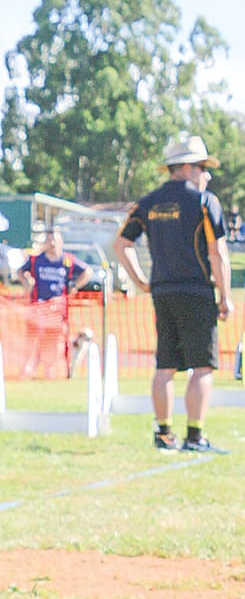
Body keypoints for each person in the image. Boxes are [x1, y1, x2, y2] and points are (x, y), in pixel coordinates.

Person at [111, 136, 232, 451]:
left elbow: (121, 244)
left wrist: (141, 281)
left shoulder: (148, 202)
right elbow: (217, 253)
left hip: (162, 291)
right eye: (203, 167)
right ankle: (195, 436)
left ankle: (163, 435)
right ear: (188, 168)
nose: (206, 175)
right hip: (197, 290)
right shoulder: (205, 201)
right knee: (202, 367)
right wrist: (225, 295)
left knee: (165, 366)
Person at [21, 228, 82, 304]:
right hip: (39, 303)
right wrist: (26, 284)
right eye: (49, 240)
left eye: (54, 240)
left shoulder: (68, 259)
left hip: (59, 304)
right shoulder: (36, 259)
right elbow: (20, 271)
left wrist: (74, 286)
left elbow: (87, 271)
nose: (52, 243)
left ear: (61, 242)